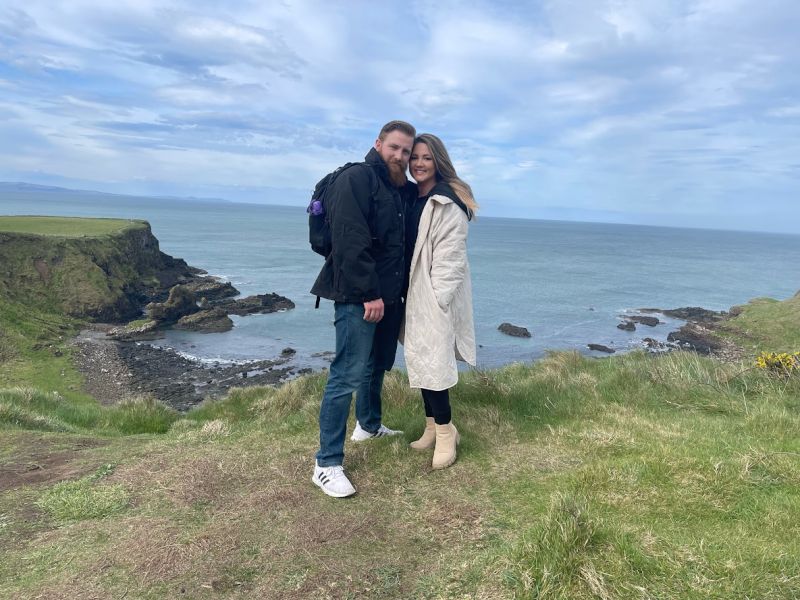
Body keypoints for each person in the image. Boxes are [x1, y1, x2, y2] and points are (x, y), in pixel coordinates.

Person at [310, 120, 417, 497]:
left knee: (376, 365)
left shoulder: (395, 187)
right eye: (395, 148)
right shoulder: (357, 179)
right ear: (378, 143)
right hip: (361, 296)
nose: (400, 156)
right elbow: (349, 239)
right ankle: (326, 463)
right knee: (346, 373)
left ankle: (369, 425)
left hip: (389, 296)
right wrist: (369, 293)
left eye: (406, 152)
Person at [402, 133, 477, 470]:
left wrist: (437, 299)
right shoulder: (411, 196)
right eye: (415, 157)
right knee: (419, 359)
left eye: (426, 158)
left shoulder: (446, 201)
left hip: (431, 295)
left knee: (434, 363)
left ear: (439, 161)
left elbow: (450, 258)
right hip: (409, 291)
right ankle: (432, 426)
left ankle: (447, 433)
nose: (419, 163)